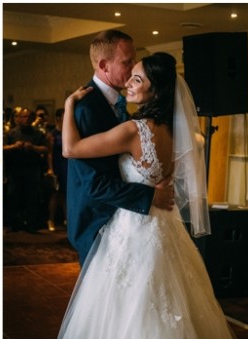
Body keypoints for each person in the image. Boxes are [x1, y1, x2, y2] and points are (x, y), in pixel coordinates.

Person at [42, 52, 248, 339]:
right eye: (131, 75)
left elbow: (70, 149)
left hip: (132, 229)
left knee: (126, 312)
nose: (129, 82)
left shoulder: (133, 130)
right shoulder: (180, 133)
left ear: (155, 90)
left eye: (138, 79)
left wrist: (69, 105)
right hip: (166, 227)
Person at [65, 30, 172, 265]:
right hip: (97, 222)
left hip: (129, 222)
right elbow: (93, 182)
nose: (134, 67)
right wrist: (150, 195)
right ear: (104, 65)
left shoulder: (132, 113)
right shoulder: (86, 109)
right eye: (127, 62)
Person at [46, 108, 67, 231]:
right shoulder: (52, 134)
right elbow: (49, 153)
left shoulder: (70, 131)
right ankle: (51, 219)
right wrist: (51, 169)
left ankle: (67, 219)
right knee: (55, 194)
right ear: (58, 118)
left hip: (68, 164)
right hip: (57, 164)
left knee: (66, 194)